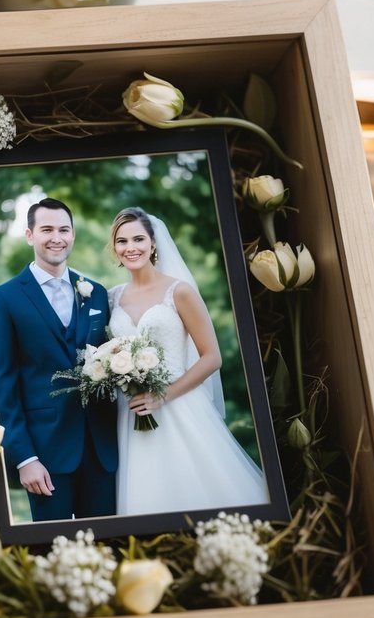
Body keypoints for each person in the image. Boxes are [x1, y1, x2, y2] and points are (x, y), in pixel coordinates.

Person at [107, 207, 268, 516]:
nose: (131, 248)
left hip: (178, 405)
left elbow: (212, 358)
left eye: (138, 239)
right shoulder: (112, 297)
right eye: (122, 241)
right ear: (115, 248)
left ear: (153, 244)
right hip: (130, 412)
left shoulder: (179, 292)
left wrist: (161, 396)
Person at [0, 198, 117, 522]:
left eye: (63, 229)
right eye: (47, 229)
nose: (56, 237)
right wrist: (24, 457)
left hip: (101, 450)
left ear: (72, 235)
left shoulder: (96, 292)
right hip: (43, 452)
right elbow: (0, 384)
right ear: (30, 235)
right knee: (54, 549)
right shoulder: (5, 298)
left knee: (109, 545)